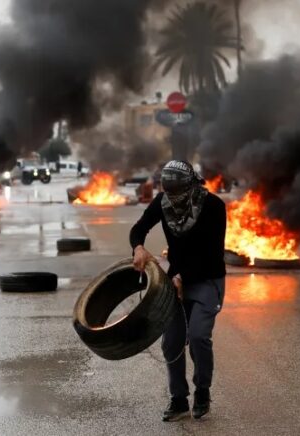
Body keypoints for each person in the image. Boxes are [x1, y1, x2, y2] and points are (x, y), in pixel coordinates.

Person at [130, 160, 226, 422]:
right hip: (176, 279)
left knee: (197, 336)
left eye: (177, 192)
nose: (172, 198)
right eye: (168, 191)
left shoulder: (213, 206)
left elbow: (211, 253)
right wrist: (138, 247)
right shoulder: (163, 202)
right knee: (172, 341)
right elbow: (139, 228)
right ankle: (179, 399)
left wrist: (183, 276)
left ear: (192, 184)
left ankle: (202, 391)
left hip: (207, 277)